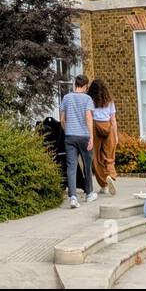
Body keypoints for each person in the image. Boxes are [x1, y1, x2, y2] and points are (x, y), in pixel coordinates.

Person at [59, 75, 97, 208]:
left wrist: (67, 130)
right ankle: (89, 193)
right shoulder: (87, 99)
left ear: (75, 84)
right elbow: (88, 117)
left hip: (70, 136)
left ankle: (73, 197)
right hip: (84, 137)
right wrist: (91, 137)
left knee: (71, 167)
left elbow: (62, 119)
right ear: (86, 86)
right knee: (87, 166)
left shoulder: (66, 98)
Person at [87, 78, 118, 196]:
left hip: (95, 127)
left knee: (97, 158)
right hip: (108, 127)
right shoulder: (109, 101)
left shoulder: (90, 101)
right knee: (109, 155)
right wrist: (115, 136)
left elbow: (88, 117)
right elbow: (113, 119)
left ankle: (104, 185)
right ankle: (110, 175)